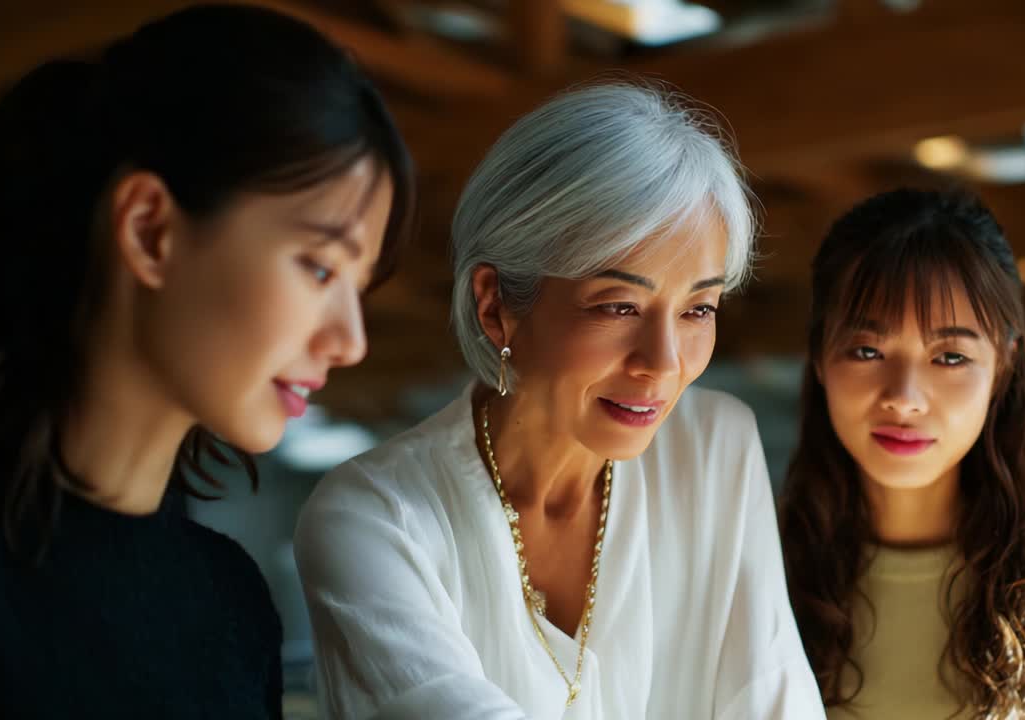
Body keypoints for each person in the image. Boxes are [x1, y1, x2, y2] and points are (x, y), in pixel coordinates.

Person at [294, 83, 824, 720]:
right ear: (496, 306)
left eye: (698, 309)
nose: (663, 362)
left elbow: (776, 699)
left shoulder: (715, 450)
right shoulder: (375, 518)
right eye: (618, 306)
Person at [0, 5, 415, 718]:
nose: (351, 341)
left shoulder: (231, 607)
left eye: (359, 285)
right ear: (149, 230)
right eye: (319, 268)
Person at [779, 189, 1025, 719]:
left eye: (950, 357)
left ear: (1003, 365)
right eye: (867, 351)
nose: (904, 397)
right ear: (819, 356)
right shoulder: (760, 569)